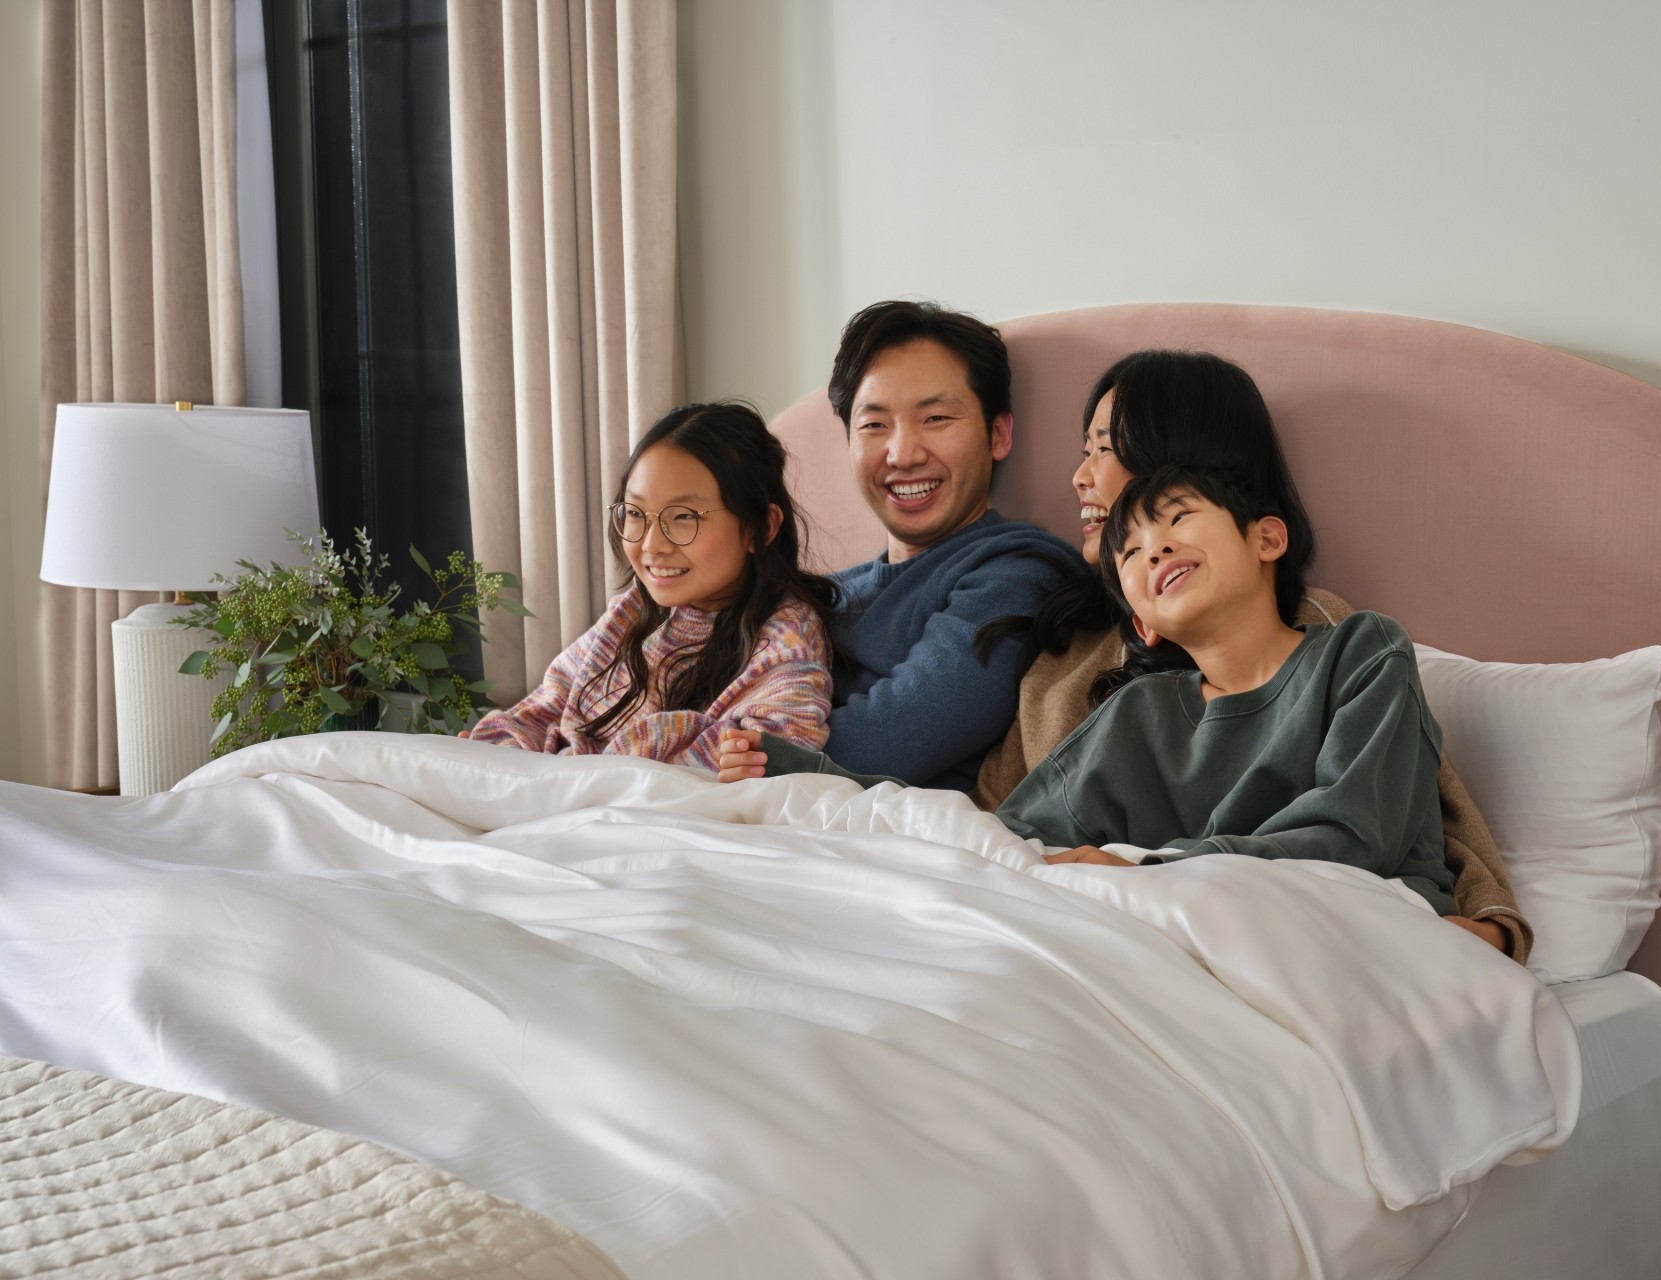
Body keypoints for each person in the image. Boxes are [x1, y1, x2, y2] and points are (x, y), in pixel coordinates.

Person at [725, 348, 1531, 959]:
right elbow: (1005, 831)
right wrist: (818, 782)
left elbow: (1407, 814)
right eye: (1134, 547)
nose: (1079, 477)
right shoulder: (1087, 664)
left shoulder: (1335, 639)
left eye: (1104, 449)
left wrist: (1488, 926)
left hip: (1256, 919)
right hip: (1092, 921)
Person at [1004, 463, 1455, 913]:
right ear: (1143, 627)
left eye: (1179, 518)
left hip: (1361, 917)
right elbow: (1016, 839)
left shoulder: (1361, 652)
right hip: (1176, 922)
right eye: (1131, 554)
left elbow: (1357, 836)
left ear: (1268, 540)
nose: (1156, 549)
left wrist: (1156, 870)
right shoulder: (1136, 712)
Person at [465, 401, 835, 768]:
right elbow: (543, 709)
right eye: (636, 513)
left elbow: (775, 755)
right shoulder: (632, 611)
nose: (651, 545)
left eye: (684, 517)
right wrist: (492, 752)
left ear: (761, 528)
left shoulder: (786, 645)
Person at [816, 300, 1080, 790]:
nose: (902, 453)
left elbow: (886, 745)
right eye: (874, 425)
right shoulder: (818, 597)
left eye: (935, 418)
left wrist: (734, 748)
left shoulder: (1018, 572)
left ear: (998, 435)